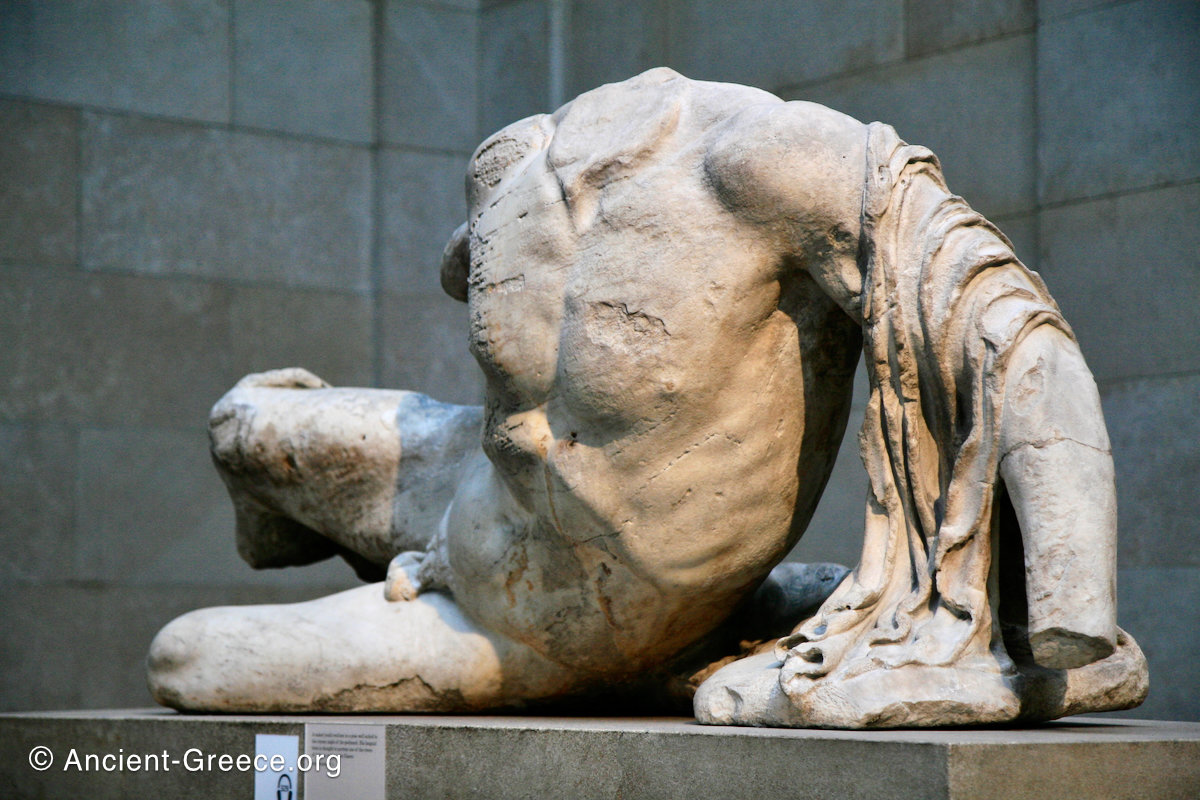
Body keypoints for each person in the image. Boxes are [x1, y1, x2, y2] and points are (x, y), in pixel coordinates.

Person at [147, 69, 1144, 727]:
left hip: (551, 618)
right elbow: (470, 277)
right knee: (244, 424)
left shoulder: (780, 163)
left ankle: (693, 639)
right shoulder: (524, 159)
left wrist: (1069, 615)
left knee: (190, 660)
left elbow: (1011, 337)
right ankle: (749, 612)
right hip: (468, 498)